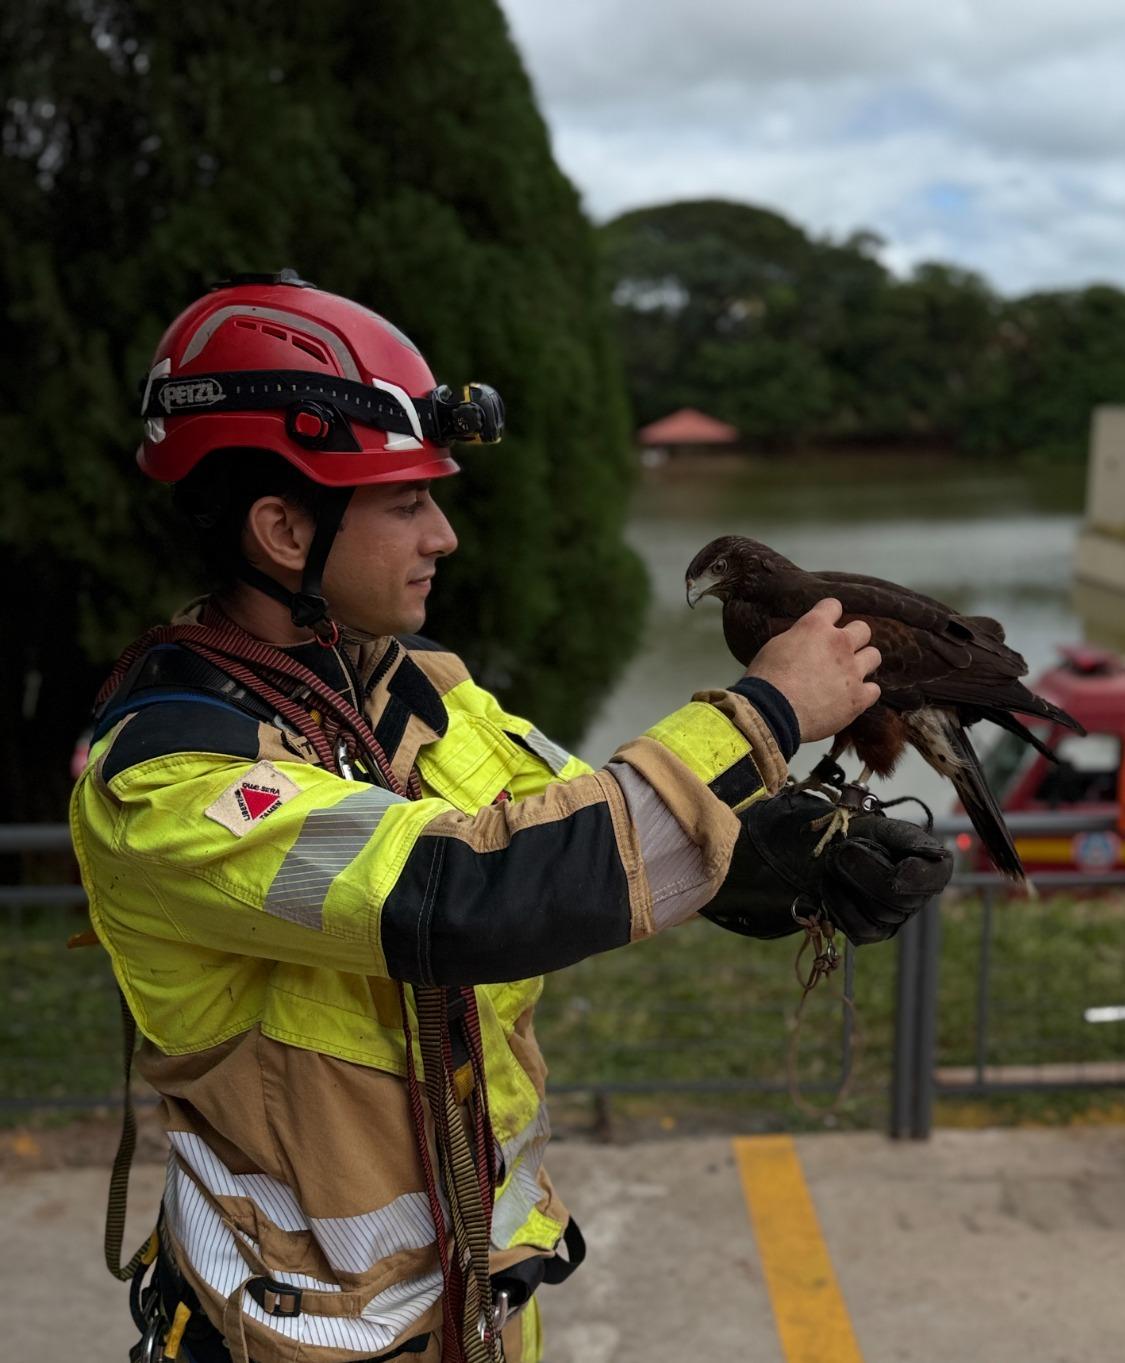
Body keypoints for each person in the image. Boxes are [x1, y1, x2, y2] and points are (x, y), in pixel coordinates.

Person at [70, 271, 951, 1363]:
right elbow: (467, 894)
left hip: (477, 1316)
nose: (444, 535)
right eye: (406, 503)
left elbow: (579, 834)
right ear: (285, 530)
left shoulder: (415, 689)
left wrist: (778, 858)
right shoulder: (167, 779)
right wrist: (762, 712)